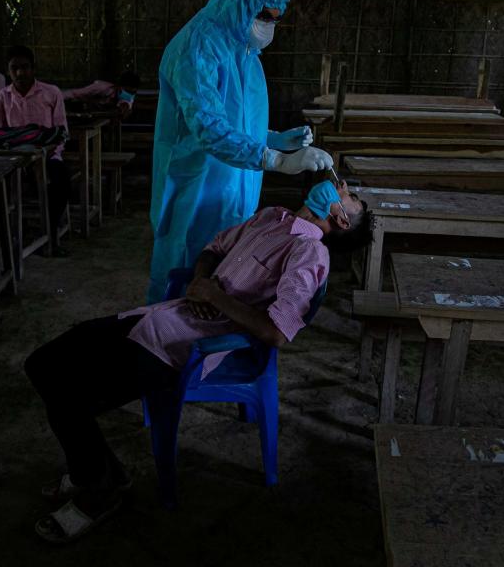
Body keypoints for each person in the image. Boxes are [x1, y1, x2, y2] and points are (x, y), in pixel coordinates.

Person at [25, 178, 369, 543]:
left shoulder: (309, 253)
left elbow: (276, 332)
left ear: (341, 219)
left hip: (187, 348)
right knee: (42, 363)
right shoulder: (272, 216)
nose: (341, 185)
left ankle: (98, 491)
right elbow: (213, 248)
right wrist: (200, 281)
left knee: (67, 396)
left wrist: (215, 298)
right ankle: (104, 474)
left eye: (349, 195)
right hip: (160, 317)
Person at [148, 0, 334, 303]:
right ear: (240, 2)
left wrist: (275, 139)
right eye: (263, 15)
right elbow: (208, 128)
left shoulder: (246, 54)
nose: (269, 26)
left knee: (223, 279)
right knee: (185, 276)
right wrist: (276, 159)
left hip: (236, 189)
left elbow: (238, 123)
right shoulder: (197, 47)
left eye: (275, 19)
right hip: (197, 188)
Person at [0, 45, 71, 252]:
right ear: (8, 70)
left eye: (25, 67)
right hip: (15, 158)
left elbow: (62, 132)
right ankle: (11, 236)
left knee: (60, 180)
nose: (19, 73)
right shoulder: (3, 97)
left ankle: (51, 235)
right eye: (14, 68)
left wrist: (48, 151)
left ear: (33, 68)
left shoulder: (51, 93)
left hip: (47, 155)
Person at [61, 71, 141, 118]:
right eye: (127, 91)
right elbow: (74, 93)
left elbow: (126, 105)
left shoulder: (128, 97)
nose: (130, 95)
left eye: (133, 93)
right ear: (119, 86)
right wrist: (58, 98)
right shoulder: (100, 87)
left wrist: (125, 108)